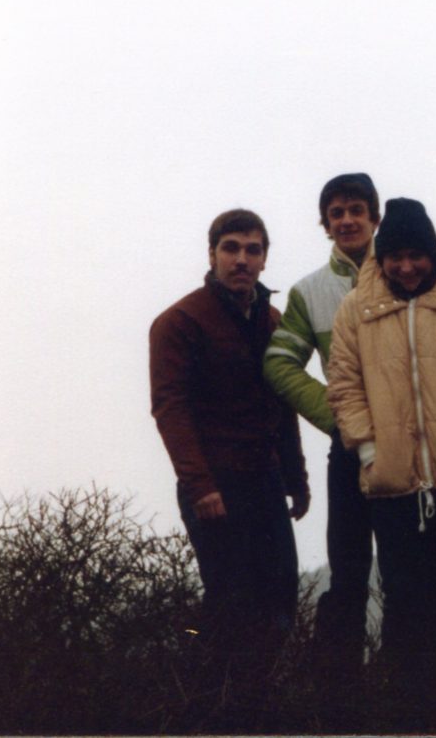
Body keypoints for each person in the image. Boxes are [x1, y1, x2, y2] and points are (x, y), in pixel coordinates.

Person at [326, 198, 436, 733]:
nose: (406, 267)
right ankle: (415, 717)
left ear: (431, 252)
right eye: (395, 257)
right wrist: (369, 450)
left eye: (416, 256)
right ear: (382, 259)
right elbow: (344, 384)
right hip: (393, 485)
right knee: (405, 601)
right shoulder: (356, 308)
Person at [149, 208, 310, 663]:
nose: (242, 259)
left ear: (264, 260)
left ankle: (253, 713)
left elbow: (282, 405)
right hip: (215, 485)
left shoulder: (272, 321)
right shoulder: (179, 322)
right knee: (229, 604)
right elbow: (170, 410)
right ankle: (204, 709)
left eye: (252, 250)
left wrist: (295, 480)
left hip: (265, 481)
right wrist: (201, 486)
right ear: (212, 254)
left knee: (279, 599)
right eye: (231, 248)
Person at [262, 173, 379, 726]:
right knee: (348, 576)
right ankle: (339, 707)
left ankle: (407, 699)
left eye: (357, 209)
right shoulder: (309, 291)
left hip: (413, 453)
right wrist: (337, 418)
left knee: (412, 577)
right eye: (336, 212)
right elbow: (278, 362)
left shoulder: (409, 268)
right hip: (350, 452)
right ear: (324, 223)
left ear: (374, 216)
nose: (347, 220)